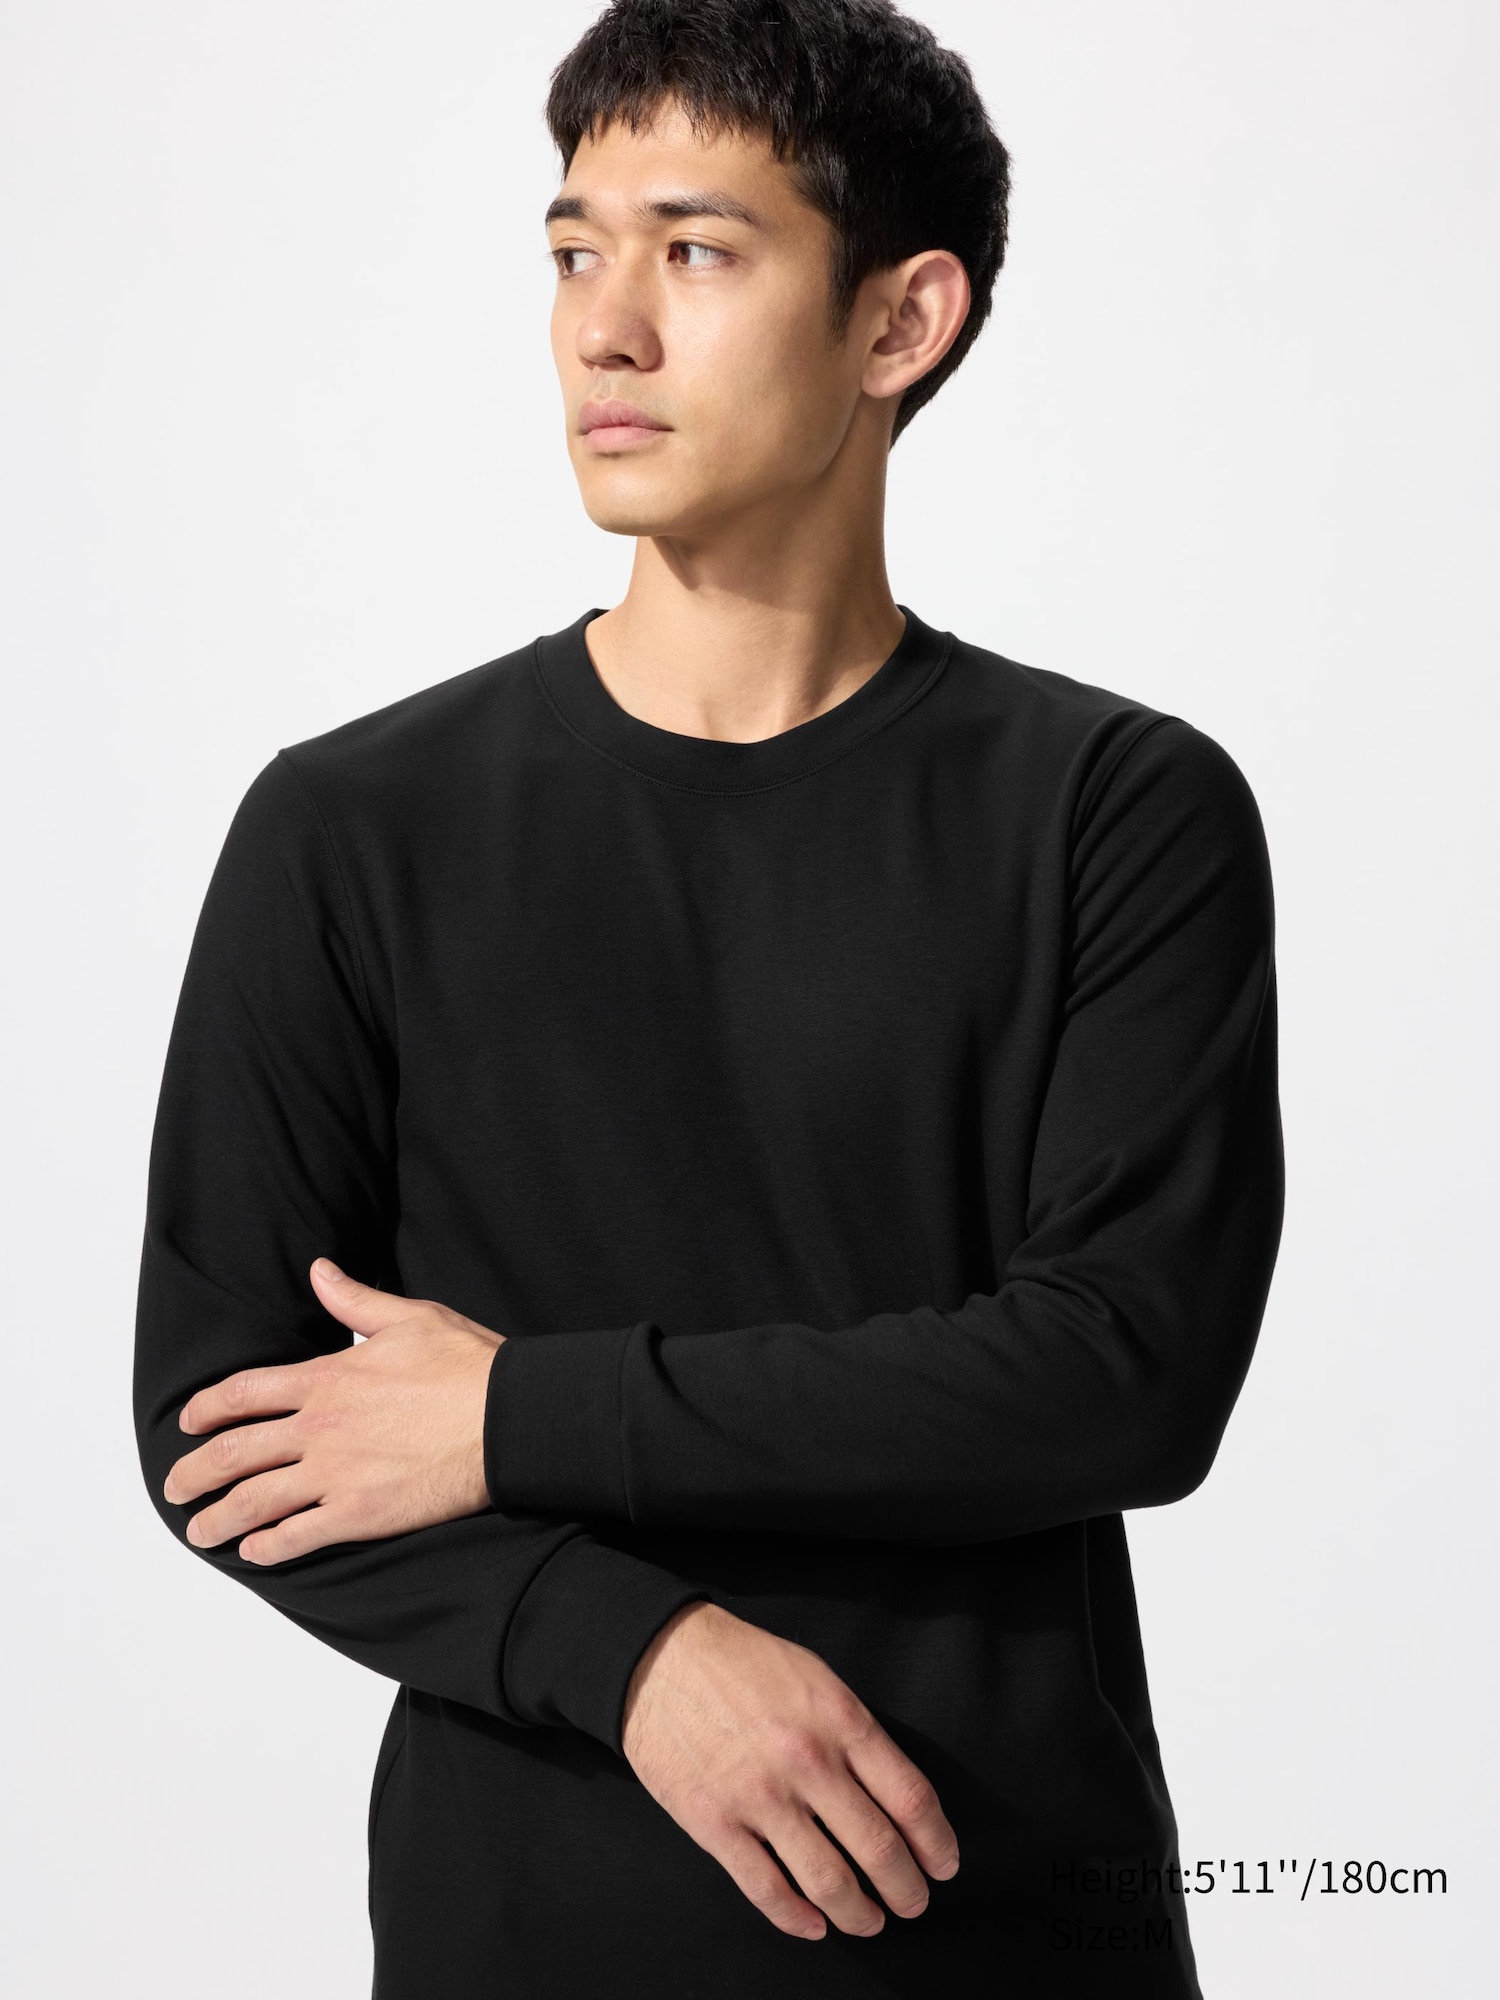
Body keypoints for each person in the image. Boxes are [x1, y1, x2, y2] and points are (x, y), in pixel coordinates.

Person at [132, 2, 1284, 1994]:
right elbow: (225, 1422)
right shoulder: (352, 826)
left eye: (696, 249)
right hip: (527, 1939)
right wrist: (636, 1655)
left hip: (1006, 1929)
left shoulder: (1117, 807)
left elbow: (1122, 1371)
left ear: (900, 321)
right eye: (574, 249)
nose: (604, 328)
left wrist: (513, 1412)